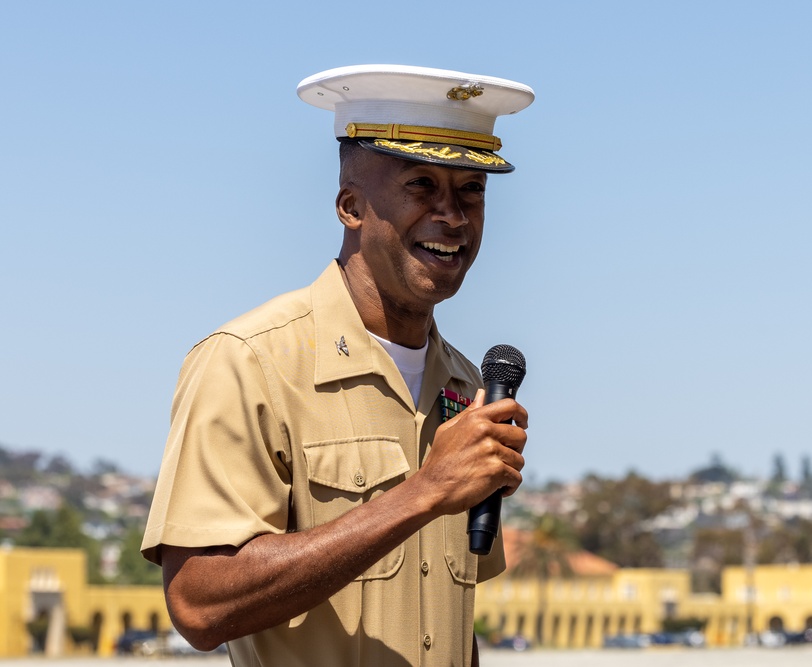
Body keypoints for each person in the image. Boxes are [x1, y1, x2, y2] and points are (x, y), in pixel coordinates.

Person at [141, 64, 535, 667]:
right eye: (421, 186)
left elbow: (447, 623)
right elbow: (199, 605)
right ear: (350, 207)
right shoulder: (251, 360)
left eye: (471, 190)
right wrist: (423, 493)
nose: (453, 216)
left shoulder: (465, 385)